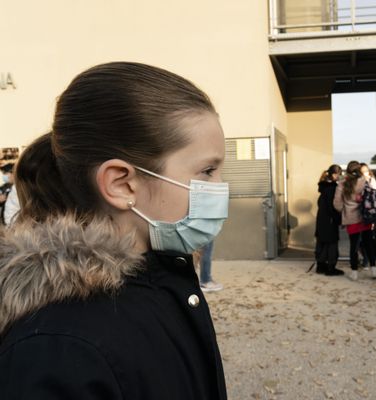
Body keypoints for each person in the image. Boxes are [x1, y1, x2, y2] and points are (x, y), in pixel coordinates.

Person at [0, 62, 228, 399]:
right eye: (207, 171)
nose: (221, 187)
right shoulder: (55, 348)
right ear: (121, 185)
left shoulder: (164, 280)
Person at [334, 161, 376, 281]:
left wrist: (343, 210)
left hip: (351, 218)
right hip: (365, 217)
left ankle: (354, 272)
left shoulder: (342, 184)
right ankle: (374, 270)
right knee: (368, 243)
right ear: (359, 170)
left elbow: (337, 204)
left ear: (347, 171)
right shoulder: (365, 181)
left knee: (354, 245)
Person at [314, 164, 344, 276]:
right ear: (332, 174)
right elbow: (333, 206)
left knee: (322, 242)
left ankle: (320, 266)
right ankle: (331, 268)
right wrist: (339, 219)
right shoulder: (332, 188)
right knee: (332, 243)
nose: (339, 176)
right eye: (337, 174)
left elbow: (320, 203)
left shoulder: (324, 187)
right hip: (330, 219)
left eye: (340, 174)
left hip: (322, 218)